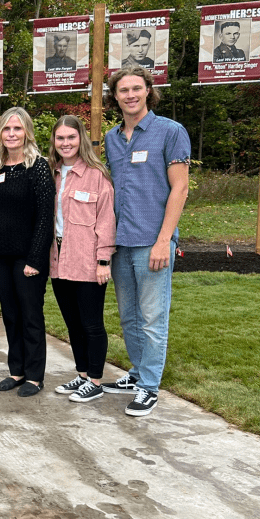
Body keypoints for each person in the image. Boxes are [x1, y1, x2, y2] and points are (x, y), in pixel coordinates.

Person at [102, 66, 190, 416]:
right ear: (115, 96)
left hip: (153, 240)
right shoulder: (111, 138)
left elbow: (180, 188)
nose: (130, 95)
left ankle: (149, 386)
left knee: (153, 318)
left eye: (136, 88)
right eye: (123, 90)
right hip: (121, 242)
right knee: (129, 317)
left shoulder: (170, 131)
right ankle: (137, 373)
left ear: (148, 91)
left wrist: (163, 240)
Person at [47, 116, 116, 403]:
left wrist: (103, 261)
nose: (65, 143)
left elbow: (106, 220)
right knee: (73, 324)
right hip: (58, 260)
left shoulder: (96, 175)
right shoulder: (51, 173)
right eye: (60, 138)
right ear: (54, 141)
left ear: (81, 139)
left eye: (71, 137)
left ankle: (96, 380)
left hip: (87, 260)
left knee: (91, 324)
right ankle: (83, 374)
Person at [0, 107, 54, 397]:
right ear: (0, 133)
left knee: (30, 315)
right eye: (7, 129)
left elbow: (45, 216)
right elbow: (3, 207)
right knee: (10, 315)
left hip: (27, 256)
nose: (12, 134)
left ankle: (35, 376)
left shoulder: (37, 167)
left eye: (17, 128)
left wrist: (35, 259)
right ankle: (16, 370)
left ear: (27, 132)